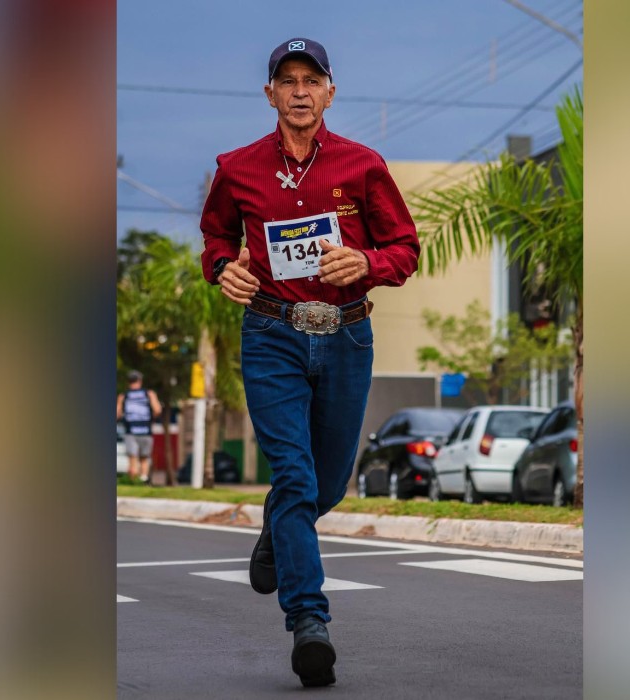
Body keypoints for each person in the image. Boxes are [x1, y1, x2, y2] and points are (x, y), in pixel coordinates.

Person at [200, 37, 420, 687]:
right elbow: (217, 234)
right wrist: (222, 266)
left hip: (347, 335)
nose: (300, 91)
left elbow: (405, 248)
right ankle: (309, 622)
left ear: (330, 92)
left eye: (311, 80)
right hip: (272, 333)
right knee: (294, 476)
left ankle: (278, 529)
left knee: (327, 485)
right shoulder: (237, 167)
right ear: (269, 93)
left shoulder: (364, 166)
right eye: (288, 81)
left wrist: (367, 262)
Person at [117, 370, 162, 483]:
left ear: (128, 382)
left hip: (130, 431)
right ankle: (143, 479)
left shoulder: (123, 396)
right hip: (146, 431)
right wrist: (149, 419)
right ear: (140, 381)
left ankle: (133, 481)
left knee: (132, 458)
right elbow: (157, 410)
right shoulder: (149, 394)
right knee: (144, 458)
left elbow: (117, 414)